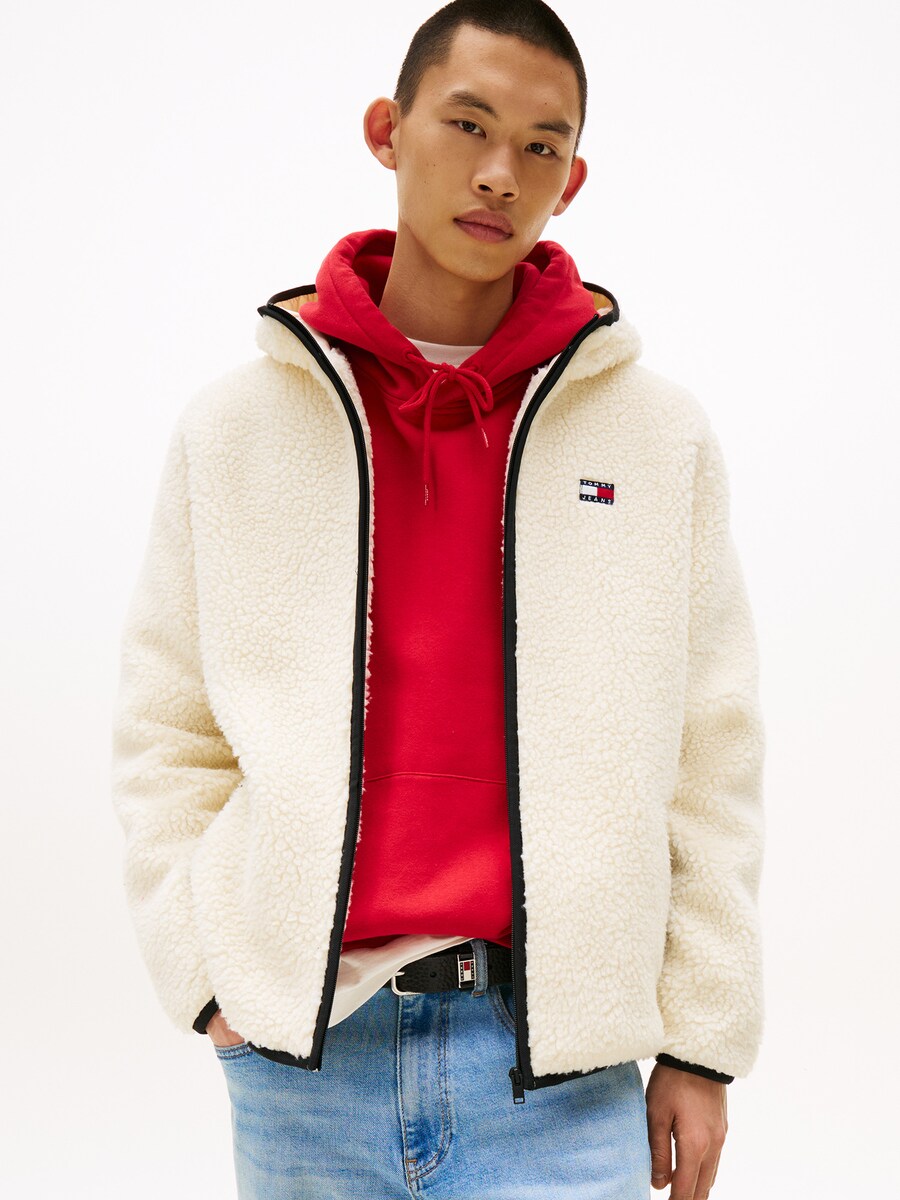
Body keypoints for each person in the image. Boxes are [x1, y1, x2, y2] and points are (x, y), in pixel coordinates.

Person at [111, 2, 765, 1197]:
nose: (499, 172)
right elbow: (167, 728)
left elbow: (711, 758)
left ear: (571, 181)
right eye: (469, 124)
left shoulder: (655, 437)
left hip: (558, 1072)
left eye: (540, 146)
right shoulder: (239, 429)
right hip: (307, 1064)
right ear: (387, 130)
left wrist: (701, 1041)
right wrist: (205, 977)